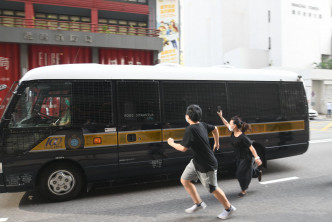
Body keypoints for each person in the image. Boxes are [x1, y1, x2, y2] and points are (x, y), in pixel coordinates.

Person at [167, 104, 236, 220]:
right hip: (196, 161)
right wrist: (217, 142)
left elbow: (183, 148)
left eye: (186, 114)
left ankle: (229, 208)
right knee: (184, 180)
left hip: (206, 165)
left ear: (188, 116)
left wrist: (171, 143)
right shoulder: (202, 125)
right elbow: (215, 129)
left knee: (213, 188)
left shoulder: (191, 129)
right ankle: (198, 203)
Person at [217, 110, 262, 197]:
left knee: (240, 174)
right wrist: (221, 116)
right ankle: (257, 172)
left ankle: (243, 190)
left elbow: (252, 148)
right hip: (239, 157)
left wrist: (257, 158)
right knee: (246, 171)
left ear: (235, 126)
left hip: (246, 157)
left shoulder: (242, 137)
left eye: (231, 124)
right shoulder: (233, 132)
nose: (229, 125)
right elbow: (226, 123)